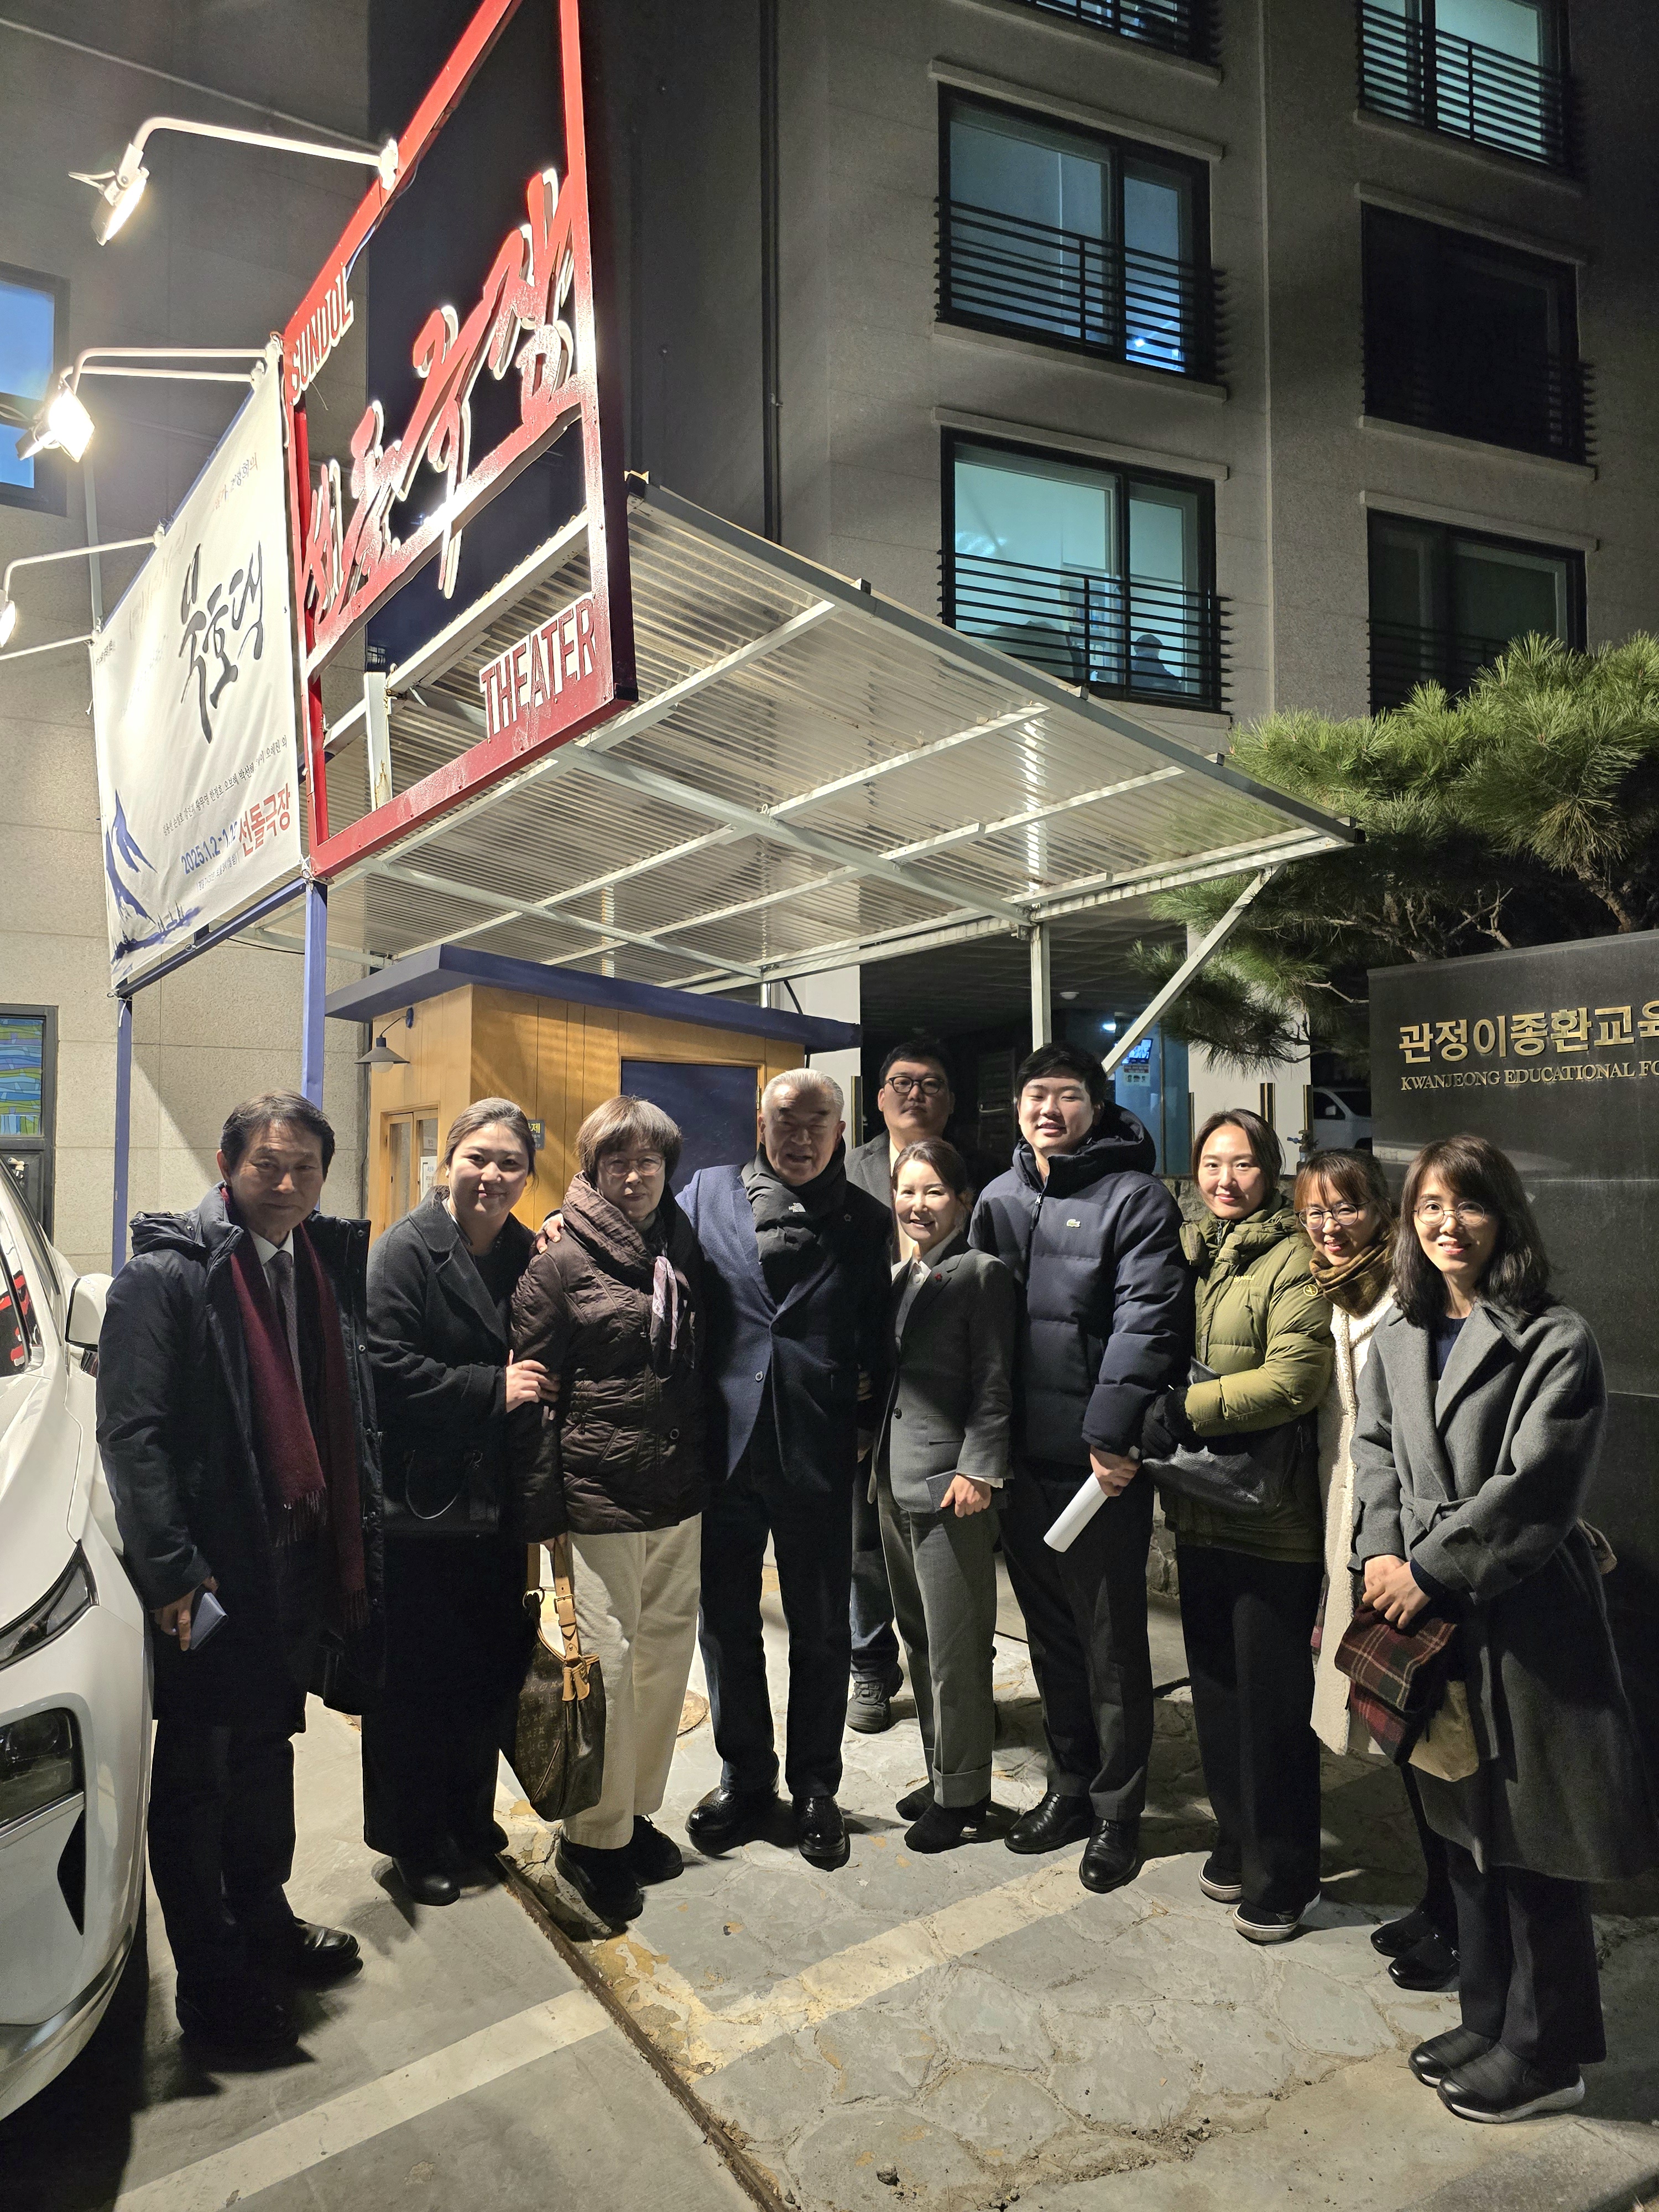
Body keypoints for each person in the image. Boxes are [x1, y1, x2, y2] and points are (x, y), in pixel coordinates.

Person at [1352, 1134, 1657, 2124]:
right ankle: (1488, 2020)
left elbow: (1538, 1488)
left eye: (1471, 1204)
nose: (1449, 1225)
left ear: (1505, 1217)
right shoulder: (1398, 1333)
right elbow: (1375, 1454)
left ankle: (1549, 2053)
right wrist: (1380, 1555)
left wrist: (1426, 1572)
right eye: (1430, 1206)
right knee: (1460, 1828)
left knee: (1535, 1844)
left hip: (1527, 1626)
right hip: (1428, 1614)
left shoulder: (1555, 1338)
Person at [96, 1092, 383, 2055]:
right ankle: (212, 1987)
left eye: (305, 1167)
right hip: (212, 1576)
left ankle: (264, 1920)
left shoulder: (318, 1265)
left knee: (266, 1751)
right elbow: (132, 1436)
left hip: (291, 1557)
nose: (287, 1183)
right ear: (227, 1165)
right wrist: (173, 1572)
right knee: (199, 1775)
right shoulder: (167, 1276)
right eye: (268, 1164)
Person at [969, 1042, 1190, 1895]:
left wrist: (1111, 1435)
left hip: (1099, 1469)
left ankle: (1118, 1812)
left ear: (1096, 1107)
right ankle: (1070, 1785)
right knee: (1049, 1634)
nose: (1048, 1110)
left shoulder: (1133, 1197)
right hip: (1019, 1460)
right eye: (1036, 1096)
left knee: (1111, 1644)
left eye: (1066, 1096)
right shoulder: (999, 1196)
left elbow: (1149, 1317)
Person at [680, 1068, 893, 1871]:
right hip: (724, 1448)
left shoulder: (867, 1220)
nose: (800, 1136)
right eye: (786, 1120)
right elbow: (644, 1251)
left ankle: (814, 1785)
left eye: (817, 1121)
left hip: (818, 1448)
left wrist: (867, 1425)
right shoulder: (704, 1193)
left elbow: (879, 1333)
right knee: (727, 1623)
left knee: (822, 1628)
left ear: (840, 1129)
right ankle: (745, 1775)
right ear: (759, 1123)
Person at [511, 1097, 707, 1925]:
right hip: (596, 1500)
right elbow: (533, 1397)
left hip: (678, 1494)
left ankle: (635, 1814)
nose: (634, 1176)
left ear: (667, 1169)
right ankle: (592, 1839)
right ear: (591, 1171)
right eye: (617, 1162)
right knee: (607, 1671)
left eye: (648, 1161)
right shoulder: (558, 1261)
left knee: (665, 1661)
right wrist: (543, 1510)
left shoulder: (681, 1245)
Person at [362, 1099, 556, 1906]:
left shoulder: (526, 1250)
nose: (492, 1175)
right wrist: (489, 1388)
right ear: (448, 1164)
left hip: (496, 1504)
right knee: (417, 1679)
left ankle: (469, 1821)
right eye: (478, 1157)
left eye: (510, 1163)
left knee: (486, 1668)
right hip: (422, 1506)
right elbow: (381, 1367)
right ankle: (413, 1839)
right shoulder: (405, 1251)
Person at [1157, 1108, 1332, 1943]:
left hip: (1272, 1518)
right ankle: (1236, 1837)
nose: (1226, 1179)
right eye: (1212, 1164)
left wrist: (1181, 1409)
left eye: (1244, 1164)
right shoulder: (1192, 1252)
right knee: (1219, 1692)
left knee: (1273, 1709)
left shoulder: (1294, 1256)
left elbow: (1295, 1379)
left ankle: (1286, 1871)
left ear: (1271, 1172)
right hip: (1203, 1511)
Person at [1302, 1147, 1456, 1994]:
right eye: (1315, 1212)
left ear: (1381, 1211)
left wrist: (1391, 1542)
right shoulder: (1332, 1289)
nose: (1330, 1226)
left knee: (1430, 1723)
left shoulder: (1406, 1295)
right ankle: (1440, 1900)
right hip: (1347, 1519)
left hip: (1398, 1527)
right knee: (1398, 1722)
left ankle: (1459, 1916)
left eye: (1346, 1208)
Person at [874, 1139, 1015, 1851]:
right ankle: (943, 1776)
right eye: (907, 1191)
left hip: (950, 1489)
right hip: (893, 1482)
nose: (918, 1204)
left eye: (934, 1191)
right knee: (920, 1641)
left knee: (958, 1648)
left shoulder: (982, 1273)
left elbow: (994, 1380)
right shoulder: (902, 1275)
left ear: (963, 1199)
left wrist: (979, 1470)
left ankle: (964, 1797)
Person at [844, 1036, 958, 1733]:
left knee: (941, 1543)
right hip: (863, 1377)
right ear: (880, 1097)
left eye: (932, 1082)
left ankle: (951, 1674)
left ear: (950, 1100)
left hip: (942, 1384)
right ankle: (870, 1664)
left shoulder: (976, 1172)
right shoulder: (844, 1166)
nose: (916, 1093)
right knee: (861, 1537)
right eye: (903, 1082)